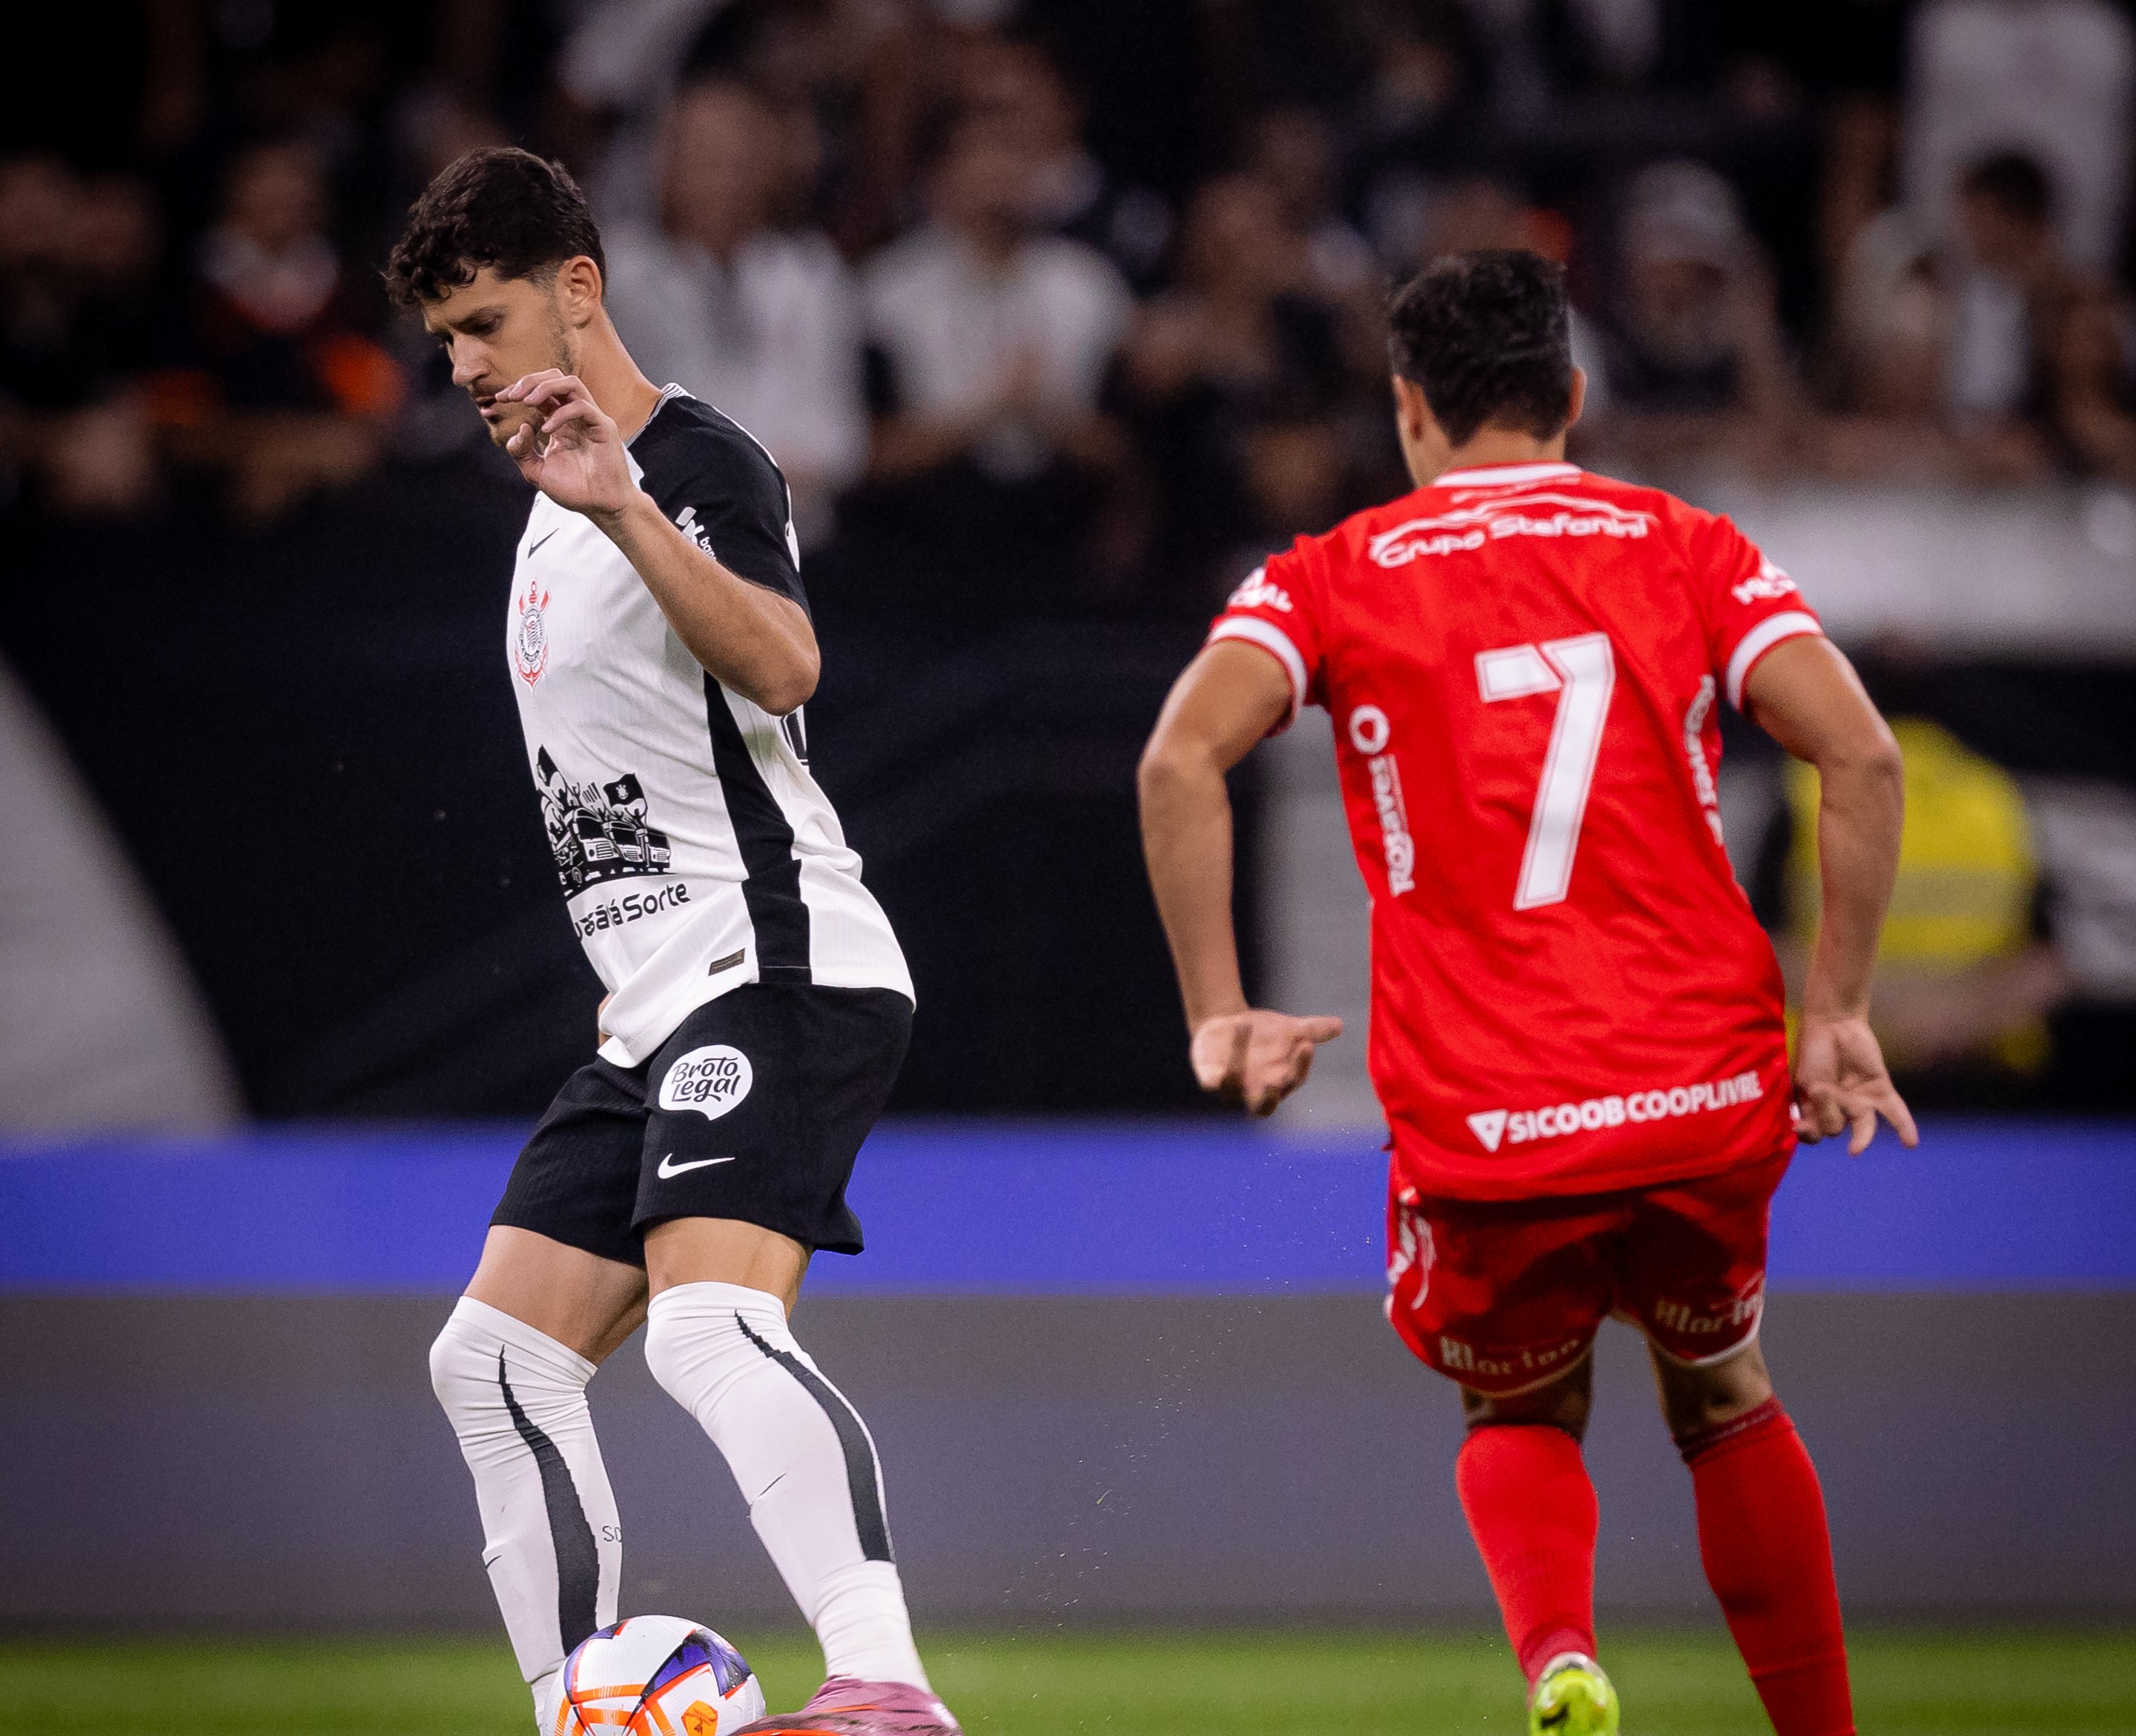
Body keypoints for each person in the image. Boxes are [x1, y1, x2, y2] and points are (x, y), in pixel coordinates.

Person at [1136, 250, 1916, 1736]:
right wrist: (1836, 1015)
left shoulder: (1332, 573)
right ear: (1570, 396)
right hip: (1700, 1080)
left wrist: (1216, 1006)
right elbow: (1862, 753)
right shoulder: (1684, 543)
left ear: (1407, 409)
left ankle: (1561, 1653)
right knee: (1725, 1389)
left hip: (1491, 1107)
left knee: (1518, 1404)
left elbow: (1179, 756)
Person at [385, 148, 958, 1736]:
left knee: (710, 1324)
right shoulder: (544, 522)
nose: (469, 370)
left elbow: (784, 664)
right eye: (446, 345)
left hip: (778, 967)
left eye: (486, 322)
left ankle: (887, 1691)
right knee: (491, 1362)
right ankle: (586, 1711)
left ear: (580, 289)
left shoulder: (695, 459)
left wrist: (629, 508)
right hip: (658, 1012)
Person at [603, 78, 867, 548]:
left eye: (735, 158)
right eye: (703, 158)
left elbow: (839, 443)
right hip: (661, 555)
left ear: (768, 168)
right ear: (665, 165)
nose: (720, 178)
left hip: (799, 557)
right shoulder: (620, 278)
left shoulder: (811, 275)